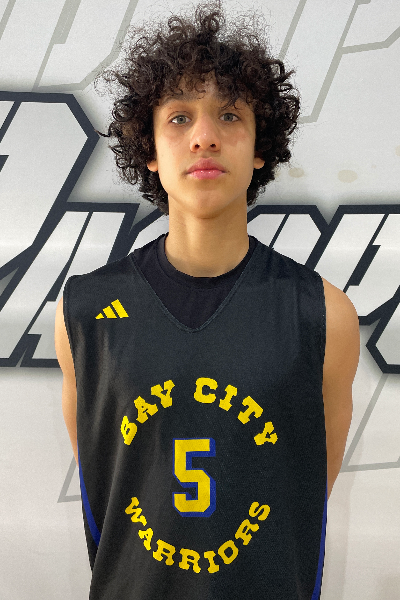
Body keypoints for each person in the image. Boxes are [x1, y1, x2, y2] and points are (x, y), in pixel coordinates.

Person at [55, 2, 360, 598]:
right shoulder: (84, 313)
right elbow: (107, 487)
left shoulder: (324, 316)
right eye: (178, 118)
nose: (203, 136)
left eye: (229, 115)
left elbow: (302, 496)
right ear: (149, 149)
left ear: (260, 147)